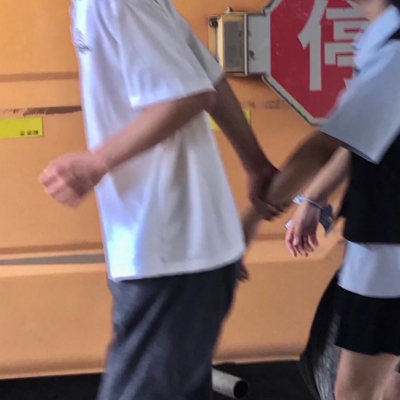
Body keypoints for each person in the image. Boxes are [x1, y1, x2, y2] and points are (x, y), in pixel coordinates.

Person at [39, 1, 282, 399]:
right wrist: (255, 164)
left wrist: (98, 162)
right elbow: (208, 78)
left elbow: (188, 95)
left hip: (168, 249)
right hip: (171, 249)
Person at [243, 1, 400, 399]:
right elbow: (364, 137)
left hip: (387, 253)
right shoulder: (382, 42)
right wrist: (314, 199)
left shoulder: (394, 51)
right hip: (383, 244)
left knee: (354, 392)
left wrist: (246, 224)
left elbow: (327, 145)